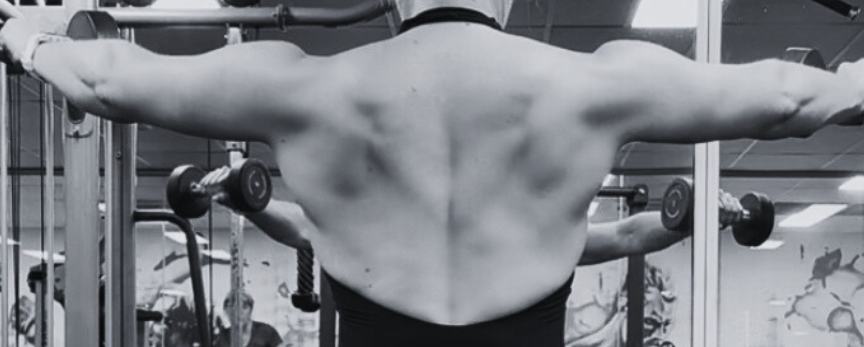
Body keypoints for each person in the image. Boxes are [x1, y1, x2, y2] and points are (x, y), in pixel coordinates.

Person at [0, 0, 864, 343]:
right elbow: (787, 99)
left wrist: (16, 30)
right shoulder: (596, 86)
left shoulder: (303, 90)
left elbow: (103, 77)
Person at [204, 166, 746, 265]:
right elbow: (302, 226)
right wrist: (248, 201)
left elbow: (626, 233)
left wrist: (692, 220)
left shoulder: (520, 244)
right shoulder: (395, 239)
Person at [212, 292, 284, 347]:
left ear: (250, 310)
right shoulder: (221, 338)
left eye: (244, 307)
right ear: (226, 312)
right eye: (232, 308)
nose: (239, 312)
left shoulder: (266, 332)